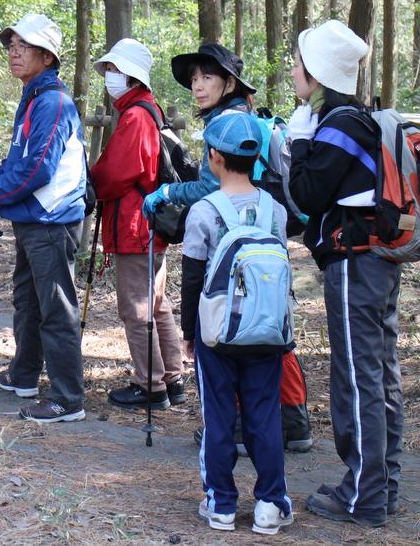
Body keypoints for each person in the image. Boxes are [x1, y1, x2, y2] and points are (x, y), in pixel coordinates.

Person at [144, 43, 312, 452]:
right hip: (266, 237)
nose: (198, 86)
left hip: (229, 237)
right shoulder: (250, 117)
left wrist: (167, 190)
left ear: (230, 82)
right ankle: (293, 422)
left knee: (227, 328)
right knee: (270, 323)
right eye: (195, 79)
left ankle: (232, 426)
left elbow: (209, 185)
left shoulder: (227, 123)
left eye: (207, 78)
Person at [286, 20, 401, 528]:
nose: (293, 71)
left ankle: (363, 494)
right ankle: (381, 484)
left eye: (298, 64)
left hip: (356, 263)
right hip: (377, 262)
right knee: (379, 372)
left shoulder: (338, 125)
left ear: (316, 75)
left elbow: (308, 195)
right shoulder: (361, 119)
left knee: (357, 375)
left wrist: (298, 141)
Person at [0, 14, 87, 424]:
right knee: (29, 298)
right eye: (11, 45)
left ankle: (68, 398)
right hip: (34, 217)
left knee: (55, 307)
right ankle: (25, 374)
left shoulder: (52, 101)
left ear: (47, 55)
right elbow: (20, 158)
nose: (14, 53)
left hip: (52, 220)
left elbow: (39, 168)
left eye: (24, 46)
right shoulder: (34, 97)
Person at [186, 112, 294, 535]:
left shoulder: (203, 212)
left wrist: (191, 334)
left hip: (218, 334)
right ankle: (270, 503)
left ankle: (222, 504)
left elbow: (193, 279)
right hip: (268, 331)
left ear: (214, 156)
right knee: (264, 416)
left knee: (218, 417)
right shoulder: (276, 211)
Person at [87, 38, 185, 411]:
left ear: (130, 76)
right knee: (157, 304)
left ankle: (150, 385)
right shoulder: (148, 111)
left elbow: (117, 171)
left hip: (135, 226)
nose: (108, 76)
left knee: (137, 307)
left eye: (113, 70)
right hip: (148, 225)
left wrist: (90, 182)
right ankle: (170, 379)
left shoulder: (136, 117)